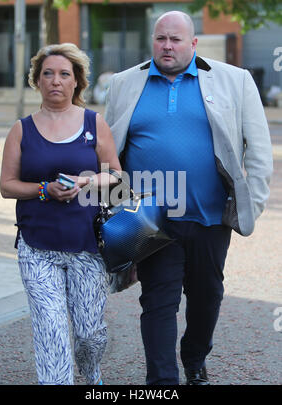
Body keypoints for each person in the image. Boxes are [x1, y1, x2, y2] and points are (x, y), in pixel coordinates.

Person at [105, 11, 273, 385]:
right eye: (161, 38)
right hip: (151, 222)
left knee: (206, 299)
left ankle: (195, 358)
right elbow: (109, 157)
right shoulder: (123, 83)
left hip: (210, 218)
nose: (167, 46)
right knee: (157, 303)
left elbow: (259, 153)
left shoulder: (235, 81)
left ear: (193, 43)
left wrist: (252, 205)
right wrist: (119, 216)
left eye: (176, 39)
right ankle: (163, 383)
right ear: (153, 41)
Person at [0, 43, 121, 385]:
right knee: (51, 330)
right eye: (47, 74)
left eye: (64, 74)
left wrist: (87, 180)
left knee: (90, 333)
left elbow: (116, 177)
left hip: (88, 246)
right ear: (36, 81)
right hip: (37, 247)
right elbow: (7, 185)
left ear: (77, 82)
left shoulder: (94, 124)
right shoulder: (21, 130)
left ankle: (92, 371)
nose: (55, 80)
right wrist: (44, 189)